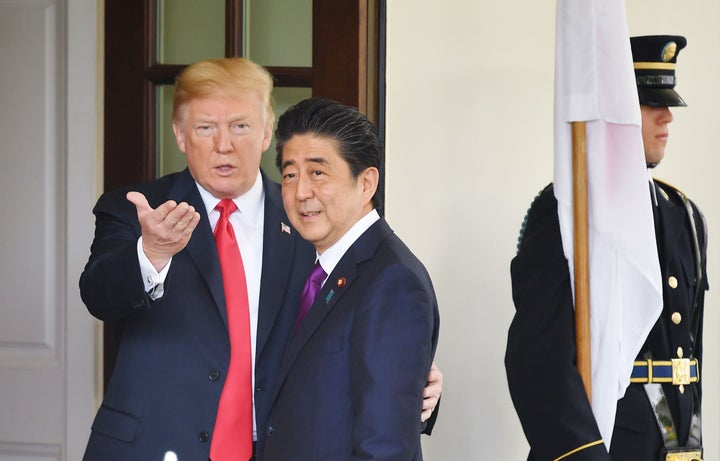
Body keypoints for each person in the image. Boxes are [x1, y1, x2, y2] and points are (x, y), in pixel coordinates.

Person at [80, 57, 441, 461]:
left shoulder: (312, 220)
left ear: (268, 131)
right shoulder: (137, 210)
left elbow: (354, 340)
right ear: (180, 135)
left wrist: (412, 387)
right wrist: (151, 253)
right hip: (151, 449)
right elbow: (99, 296)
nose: (224, 144)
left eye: (240, 126)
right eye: (205, 128)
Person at [505, 35, 708, 460]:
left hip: (675, 444)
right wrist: (580, 452)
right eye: (650, 104)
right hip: (607, 442)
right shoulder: (570, 211)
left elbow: (687, 351)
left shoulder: (683, 213)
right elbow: (537, 356)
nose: (667, 116)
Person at [255, 97, 440, 461]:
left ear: (366, 183)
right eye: (290, 174)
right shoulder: (315, 268)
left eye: (318, 173)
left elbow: (385, 447)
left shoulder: (393, 282)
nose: (300, 192)